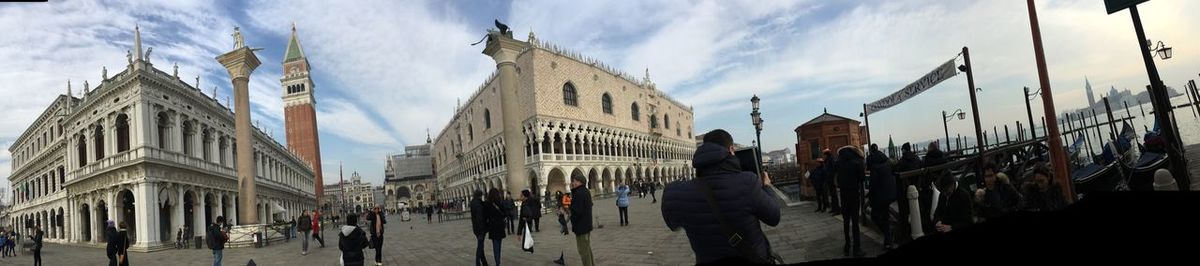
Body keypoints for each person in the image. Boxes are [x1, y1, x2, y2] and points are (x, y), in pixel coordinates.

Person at [662, 129, 782, 264]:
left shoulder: (676, 192)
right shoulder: (748, 182)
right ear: (731, 150)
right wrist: (767, 187)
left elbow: (673, 225)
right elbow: (774, 217)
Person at [834, 146, 867, 257]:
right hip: (854, 193)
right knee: (855, 222)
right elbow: (862, 178)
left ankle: (847, 246)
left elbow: (836, 178)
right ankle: (856, 249)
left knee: (846, 221)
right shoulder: (857, 162)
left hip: (843, 194)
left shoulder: (838, 162)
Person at [866, 144, 897, 250]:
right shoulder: (887, 162)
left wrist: (870, 196)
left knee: (875, 215)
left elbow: (873, 185)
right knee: (885, 216)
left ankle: (888, 236)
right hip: (890, 193)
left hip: (880, 196)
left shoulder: (874, 167)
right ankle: (888, 239)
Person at [569, 174, 596, 266]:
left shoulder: (579, 193)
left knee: (583, 251)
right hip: (586, 225)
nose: (573, 183)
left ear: (579, 182)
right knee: (587, 249)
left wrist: (572, 219)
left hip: (581, 226)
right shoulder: (585, 191)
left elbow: (577, 211)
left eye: (574, 181)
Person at [484, 189, 508, 266]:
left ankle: (497, 262)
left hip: (492, 226)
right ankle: (498, 261)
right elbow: (505, 213)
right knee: (499, 244)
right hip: (500, 225)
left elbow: (486, 216)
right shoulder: (500, 202)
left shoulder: (487, 204)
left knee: (495, 245)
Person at [470, 190, 489, 266]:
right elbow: (479, 217)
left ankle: (484, 262)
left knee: (481, 246)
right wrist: (482, 229)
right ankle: (477, 263)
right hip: (480, 229)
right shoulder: (478, 204)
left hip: (475, 228)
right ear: (480, 196)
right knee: (480, 246)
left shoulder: (473, 203)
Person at [823, 149, 842, 216]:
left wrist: (831, 176)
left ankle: (837, 210)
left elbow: (833, 169)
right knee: (832, 195)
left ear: (826, 154)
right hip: (829, 179)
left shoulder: (831, 159)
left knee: (834, 195)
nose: (823, 156)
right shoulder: (828, 160)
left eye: (824, 154)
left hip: (831, 179)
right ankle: (834, 208)